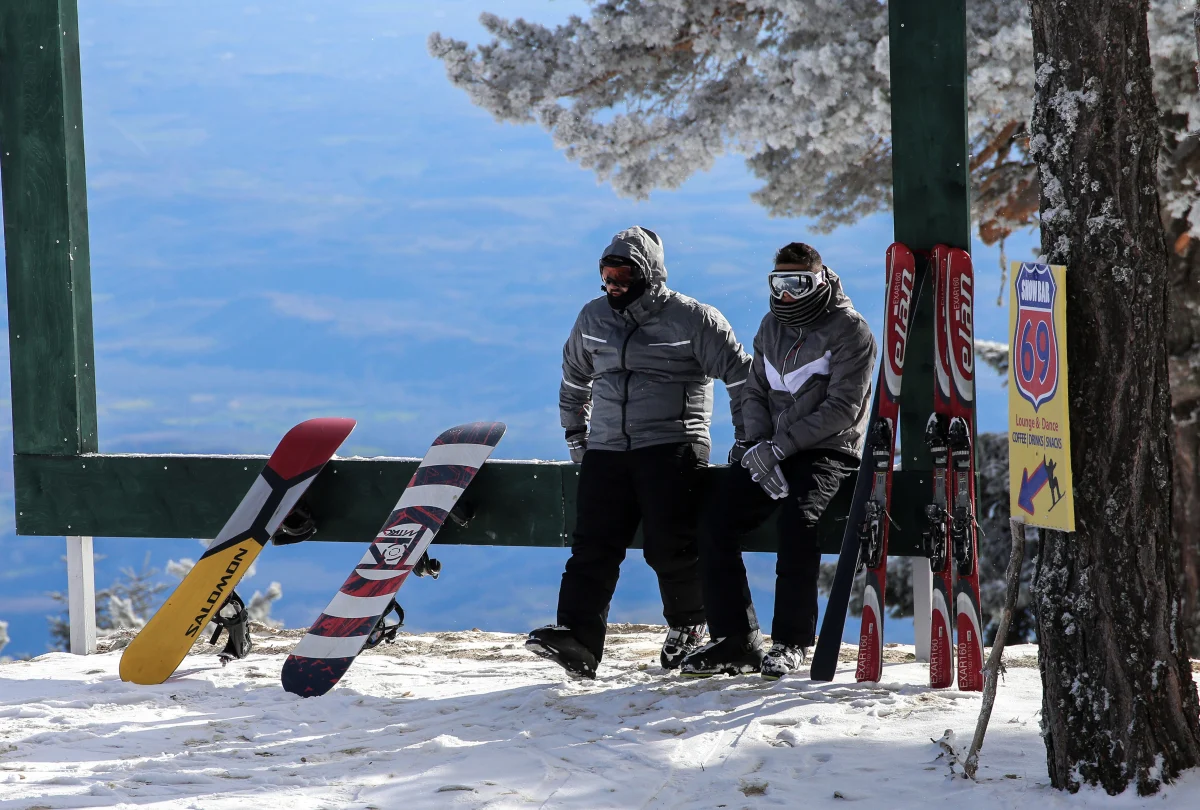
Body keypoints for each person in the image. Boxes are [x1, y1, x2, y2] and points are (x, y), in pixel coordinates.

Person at [525, 226, 752, 679]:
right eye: (606, 277)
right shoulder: (592, 318)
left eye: (623, 277)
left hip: (672, 443)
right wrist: (577, 437)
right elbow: (573, 380)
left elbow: (742, 379)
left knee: (671, 546)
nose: (613, 286)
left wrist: (744, 443)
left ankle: (689, 627)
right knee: (592, 545)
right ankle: (578, 639)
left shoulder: (694, 319)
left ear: (648, 275)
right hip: (606, 447)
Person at [680, 242, 877, 680]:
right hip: (769, 448)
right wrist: (753, 443)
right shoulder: (771, 327)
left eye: (798, 283)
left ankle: (791, 641)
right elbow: (754, 390)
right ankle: (734, 639)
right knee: (714, 518)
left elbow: (842, 409)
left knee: (799, 522)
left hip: (827, 449)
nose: (787, 293)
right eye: (779, 283)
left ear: (819, 280)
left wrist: (779, 447)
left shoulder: (851, 331)